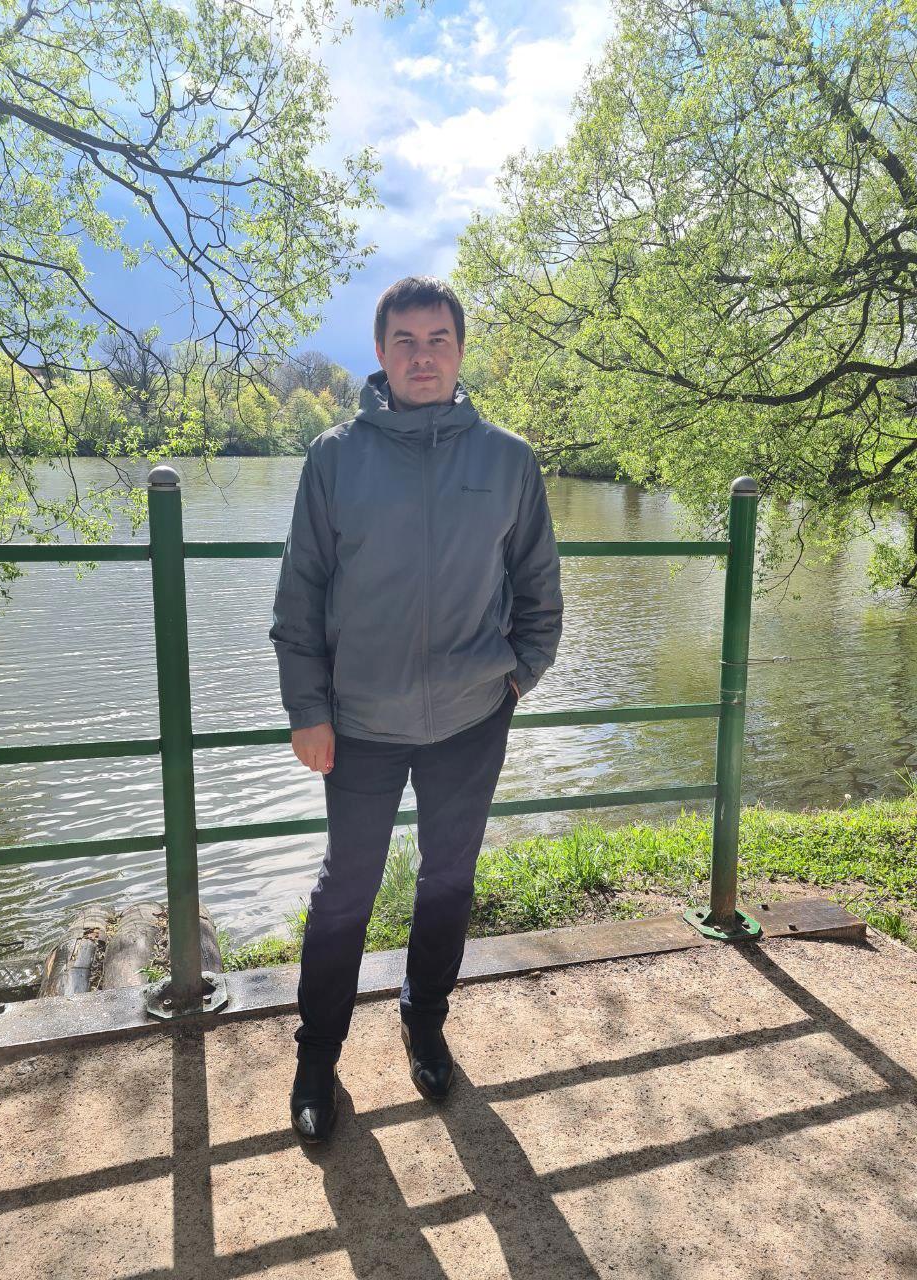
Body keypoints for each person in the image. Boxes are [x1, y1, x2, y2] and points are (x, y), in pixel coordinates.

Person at [269, 276, 563, 1144]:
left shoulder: (508, 460)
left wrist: (515, 680)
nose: (422, 356)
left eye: (438, 339)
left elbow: (540, 593)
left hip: (471, 720)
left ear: (461, 351)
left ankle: (424, 1019)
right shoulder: (334, 458)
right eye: (405, 340)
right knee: (345, 892)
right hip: (358, 723)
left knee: (448, 880)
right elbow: (300, 599)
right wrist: (308, 709)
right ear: (381, 353)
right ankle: (318, 1055)